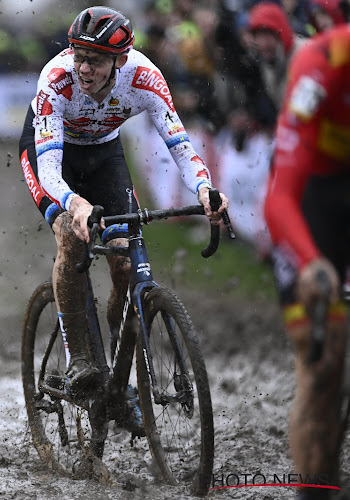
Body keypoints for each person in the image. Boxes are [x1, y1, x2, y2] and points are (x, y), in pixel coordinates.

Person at [18, 6, 229, 398]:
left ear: (120, 60)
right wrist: (74, 204)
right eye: (79, 57)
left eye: (94, 61)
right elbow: (50, 171)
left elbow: (180, 146)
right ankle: (80, 358)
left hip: (104, 154)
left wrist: (204, 188)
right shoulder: (55, 80)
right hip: (51, 154)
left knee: (123, 258)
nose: (83, 69)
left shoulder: (145, 77)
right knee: (70, 237)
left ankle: (118, 365)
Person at [264, 23, 350, 500]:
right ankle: (314, 489)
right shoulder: (320, 65)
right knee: (324, 366)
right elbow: (279, 200)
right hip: (310, 203)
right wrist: (313, 262)